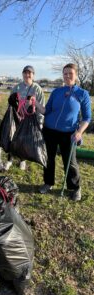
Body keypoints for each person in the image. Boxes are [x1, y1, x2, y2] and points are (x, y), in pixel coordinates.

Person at [36, 63, 91, 201]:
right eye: (65, 73)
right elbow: (46, 110)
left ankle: (75, 188)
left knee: (70, 162)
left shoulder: (82, 94)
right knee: (48, 159)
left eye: (70, 73)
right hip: (49, 131)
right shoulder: (56, 92)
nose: (67, 76)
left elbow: (87, 118)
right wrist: (35, 103)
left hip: (69, 133)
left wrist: (79, 132)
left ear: (75, 75)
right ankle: (48, 183)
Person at [5, 65, 45, 170]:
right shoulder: (16, 87)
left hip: (29, 120)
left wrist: (40, 122)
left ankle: (22, 160)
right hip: (17, 117)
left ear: (33, 75)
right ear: (22, 74)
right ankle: (9, 159)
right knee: (12, 138)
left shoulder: (37, 89)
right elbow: (10, 103)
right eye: (25, 72)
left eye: (29, 73)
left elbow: (41, 105)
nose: (27, 75)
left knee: (24, 140)